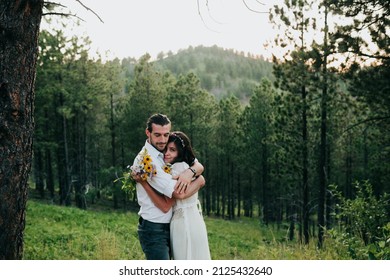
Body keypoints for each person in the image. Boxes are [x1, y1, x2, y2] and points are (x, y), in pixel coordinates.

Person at [133, 113, 205, 260]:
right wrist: (199, 180)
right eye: (158, 135)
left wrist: (190, 172)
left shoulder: (166, 151)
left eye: (166, 135)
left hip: (170, 225)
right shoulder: (146, 161)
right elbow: (177, 193)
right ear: (148, 133)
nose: (162, 140)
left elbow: (197, 164)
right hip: (154, 227)